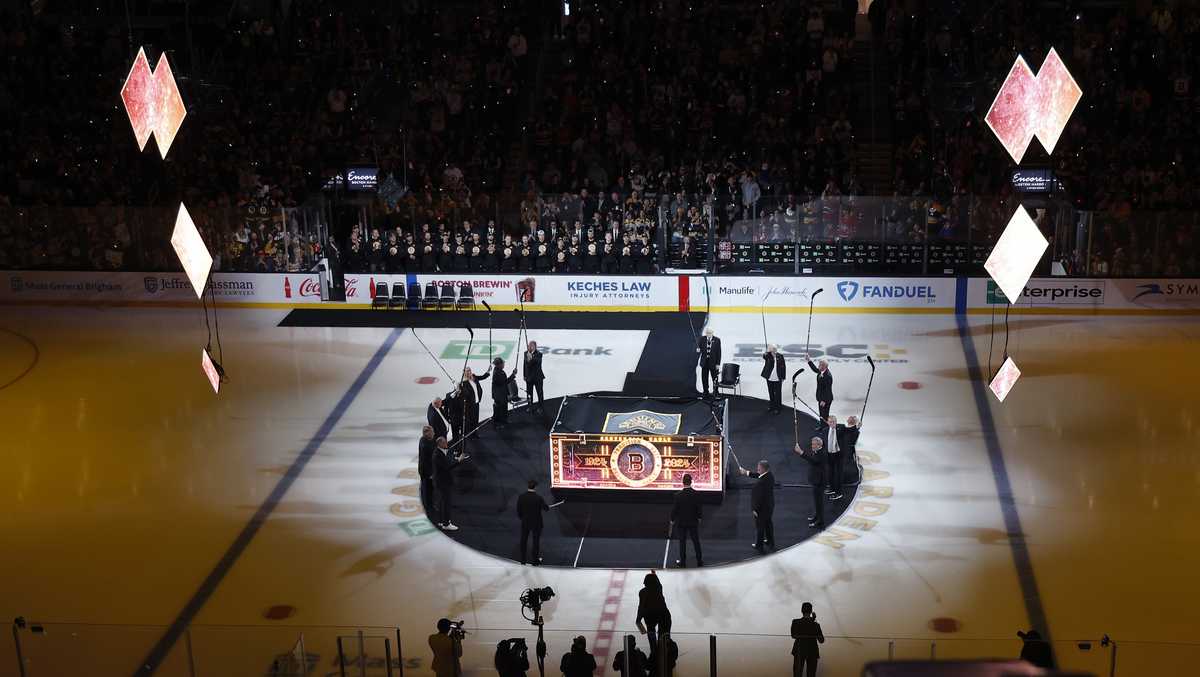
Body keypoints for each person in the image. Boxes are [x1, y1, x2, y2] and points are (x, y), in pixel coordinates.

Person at [740, 460, 775, 552]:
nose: (757, 469)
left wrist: (754, 509)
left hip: (761, 509)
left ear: (764, 469)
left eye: (759, 468)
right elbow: (758, 475)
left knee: (760, 527)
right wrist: (746, 472)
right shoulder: (769, 476)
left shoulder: (761, 483)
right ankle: (770, 541)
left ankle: (759, 545)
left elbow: (758, 498)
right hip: (769, 506)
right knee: (768, 524)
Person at [670, 474, 703, 568]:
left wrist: (672, 519)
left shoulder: (678, 495)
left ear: (682, 482)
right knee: (696, 541)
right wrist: (699, 518)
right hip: (693, 522)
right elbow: (699, 508)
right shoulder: (696, 494)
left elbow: (674, 509)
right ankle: (699, 561)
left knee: (682, 542)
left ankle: (683, 562)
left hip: (682, 523)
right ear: (691, 481)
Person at [635, 572, 672, 651]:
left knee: (652, 638)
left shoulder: (643, 592)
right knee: (664, 639)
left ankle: (654, 653)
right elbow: (657, 581)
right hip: (663, 614)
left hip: (650, 616)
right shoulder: (659, 588)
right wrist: (654, 573)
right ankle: (664, 653)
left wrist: (638, 619)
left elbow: (641, 607)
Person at [796, 437, 827, 528]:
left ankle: (820, 521)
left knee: (819, 502)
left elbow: (814, 461)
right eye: (812, 444)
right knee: (816, 501)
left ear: (819, 445)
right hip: (816, 480)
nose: (812, 446)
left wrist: (801, 452)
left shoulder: (822, 453)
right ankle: (817, 516)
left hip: (820, 481)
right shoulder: (817, 451)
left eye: (814, 444)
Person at [516, 479, 549, 565]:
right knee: (535, 541)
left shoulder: (521, 497)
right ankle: (535, 561)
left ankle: (523, 560)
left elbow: (519, 510)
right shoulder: (538, 498)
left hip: (525, 522)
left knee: (523, 540)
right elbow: (546, 509)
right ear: (535, 487)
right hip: (536, 523)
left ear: (528, 486)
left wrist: (522, 518)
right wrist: (547, 507)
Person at [433, 436, 462, 530]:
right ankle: (446, 523)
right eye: (445, 442)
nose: (447, 443)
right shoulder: (438, 455)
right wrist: (458, 460)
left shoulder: (439, 452)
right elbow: (447, 466)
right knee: (446, 503)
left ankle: (441, 521)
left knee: (442, 502)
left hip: (441, 481)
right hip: (443, 482)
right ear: (440, 444)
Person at [790, 602, 825, 677]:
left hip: (799, 650)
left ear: (801, 611)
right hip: (812, 651)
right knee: (811, 674)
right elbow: (821, 640)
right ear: (811, 611)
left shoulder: (795, 622)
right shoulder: (815, 625)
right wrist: (813, 621)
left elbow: (793, 635)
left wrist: (812, 621)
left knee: (797, 674)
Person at [818, 415, 844, 500]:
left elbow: (850, 431)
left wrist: (856, 427)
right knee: (830, 472)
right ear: (827, 422)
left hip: (839, 454)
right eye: (830, 422)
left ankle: (839, 492)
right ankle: (832, 488)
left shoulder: (841, 428)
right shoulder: (825, 430)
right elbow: (823, 443)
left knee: (838, 474)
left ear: (836, 422)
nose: (832, 423)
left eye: (833, 422)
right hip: (829, 455)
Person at [460, 366, 490, 439]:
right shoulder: (464, 383)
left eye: (469, 370)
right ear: (464, 373)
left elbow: (482, 377)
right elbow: (465, 394)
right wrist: (461, 388)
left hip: (477, 402)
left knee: (476, 419)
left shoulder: (474, 377)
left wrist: (488, 371)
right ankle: (471, 434)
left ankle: (475, 432)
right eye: (467, 371)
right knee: (471, 420)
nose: (469, 372)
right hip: (470, 404)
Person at [806, 357, 834, 423]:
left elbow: (827, 389)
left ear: (825, 366)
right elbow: (815, 369)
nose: (819, 366)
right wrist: (809, 360)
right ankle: (822, 426)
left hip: (826, 399)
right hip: (821, 398)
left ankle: (825, 428)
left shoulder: (828, 376)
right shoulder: (821, 371)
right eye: (819, 364)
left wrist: (824, 400)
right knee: (821, 414)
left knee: (825, 415)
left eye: (820, 365)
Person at [696, 327, 722, 397]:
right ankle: (705, 391)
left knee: (715, 378)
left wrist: (718, 364)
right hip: (704, 362)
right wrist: (698, 349)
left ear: (712, 333)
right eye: (707, 333)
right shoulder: (702, 339)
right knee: (704, 378)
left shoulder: (717, 340)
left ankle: (716, 391)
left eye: (710, 333)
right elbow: (699, 347)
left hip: (713, 362)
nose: (708, 334)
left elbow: (719, 352)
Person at [418, 425, 437, 519]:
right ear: (427, 433)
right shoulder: (426, 446)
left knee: (429, 489)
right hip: (426, 471)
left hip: (426, 469)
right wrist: (431, 474)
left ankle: (429, 504)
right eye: (432, 432)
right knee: (427, 489)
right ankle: (428, 507)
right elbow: (426, 462)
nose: (434, 433)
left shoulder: (424, 440)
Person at [762, 344, 786, 414]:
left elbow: (783, 367)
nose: (774, 350)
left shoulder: (780, 356)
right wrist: (767, 352)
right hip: (770, 378)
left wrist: (783, 377)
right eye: (773, 349)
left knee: (778, 394)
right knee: (771, 392)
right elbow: (764, 356)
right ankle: (772, 406)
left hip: (777, 378)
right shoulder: (768, 356)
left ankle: (778, 408)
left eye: (775, 348)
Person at [523, 341, 545, 414]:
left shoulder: (539, 354)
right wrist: (524, 375)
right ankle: (530, 406)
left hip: (538, 377)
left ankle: (541, 407)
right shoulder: (525, 353)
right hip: (529, 378)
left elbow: (536, 361)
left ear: (535, 347)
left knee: (540, 393)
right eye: (529, 346)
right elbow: (525, 365)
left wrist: (531, 357)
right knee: (529, 393)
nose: (530, 347)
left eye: (532, 346)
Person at [491, 357, 513, 429]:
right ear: (499, 364)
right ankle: (497, 424)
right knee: (499, 410)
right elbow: (504, 382)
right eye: (502, 363)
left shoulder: (500, 371)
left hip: (502, 394)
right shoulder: (497, 373)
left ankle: (504, 420)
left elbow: (504, 382)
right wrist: (513, 375)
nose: (504, 364)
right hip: (499, 395)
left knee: (504, 408)